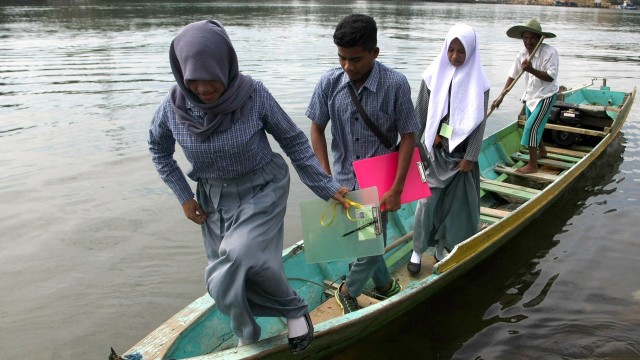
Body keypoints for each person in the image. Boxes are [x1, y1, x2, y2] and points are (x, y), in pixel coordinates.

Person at [148, 20, 349, 354]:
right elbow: (158, 150)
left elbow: (294, 142)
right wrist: (184, 196)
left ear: (225, 65)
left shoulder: (253, 95)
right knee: (222, 280)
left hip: (262, 188)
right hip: (213, 200)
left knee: (240, 255)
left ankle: (294, 310)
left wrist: (326, 186)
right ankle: (247, 332)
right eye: (193, 79)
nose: (203, 88)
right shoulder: (172, 109)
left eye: (210, 76)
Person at [306, 14, 420, 314]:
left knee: (369, 244)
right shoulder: (329, 83)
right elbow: (316, 128)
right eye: (342, 58)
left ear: (374, 53)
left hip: (379, 184)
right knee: (367, 242)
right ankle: (384, 286)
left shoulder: (395, 84)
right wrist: (326, 179)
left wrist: (397, 188)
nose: (348, 66)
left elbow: (409, 135)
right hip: (343, 183)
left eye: (355, 59)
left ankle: (347, 291)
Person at [406, 24, 491, 275]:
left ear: (471, 52)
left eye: (461, 51)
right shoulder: (433, 75)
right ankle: (417, 249)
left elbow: (479, 123)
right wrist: (421, 141)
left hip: (462, 157)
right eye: (451, 50)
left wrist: (471, 156)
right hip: (437, 152)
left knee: (456, 207)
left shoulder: (481, 83)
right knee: (427, 202)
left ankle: (443, 247)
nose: (455, 56)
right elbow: (420, 112)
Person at [491, 18, 559, 174]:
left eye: (532, 38)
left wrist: (531, 69)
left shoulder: (549, 52)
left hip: (546, 95)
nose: (528, 41)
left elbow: (550, 77)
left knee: (531, 128)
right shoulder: (522, 54)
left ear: (539, 38)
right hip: (531, 95)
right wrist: (501, 95)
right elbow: (512, 75)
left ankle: (533, 165)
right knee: (534, 124)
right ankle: (542, 151)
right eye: (525, 38)